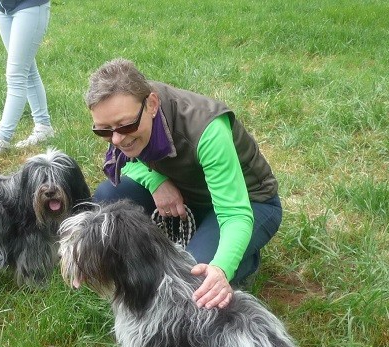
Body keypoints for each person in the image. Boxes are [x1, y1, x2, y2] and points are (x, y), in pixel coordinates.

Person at [86, 58, 282, 310]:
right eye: (103, 131)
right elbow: (128, 160)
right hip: (188, 192)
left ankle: (244, 261)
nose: (116, 139)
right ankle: (143, 269)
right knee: (108, 196)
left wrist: (221, 267)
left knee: (191, 280)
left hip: (250, 204)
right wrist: (156, 182)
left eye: (126, 126)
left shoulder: (207, 128)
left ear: (152, 104)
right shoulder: (127, 111)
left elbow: (235, 214)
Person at [0, 0, 55, 160]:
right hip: (3, 7)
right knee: (28, 71)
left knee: (16, 75)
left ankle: (1, 140)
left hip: (30, 5)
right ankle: (43, 128)